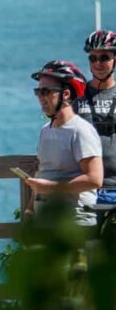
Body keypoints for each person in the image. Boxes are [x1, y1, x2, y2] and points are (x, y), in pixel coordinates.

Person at [26, 61, 103, 226]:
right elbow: (43, 172)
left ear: (66, 94)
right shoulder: (45, 130)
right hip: (46, 221)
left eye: (45, 91)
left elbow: (95, 178)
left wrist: (50, 188)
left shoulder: (81, 131)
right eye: (37, 91)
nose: (40, 96)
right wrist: (30, 208)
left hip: (74, 224)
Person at [76, 30, 116, 206]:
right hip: (86, 190)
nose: (98, 63)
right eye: (93, 58)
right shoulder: (77, 98)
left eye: (104, 58)